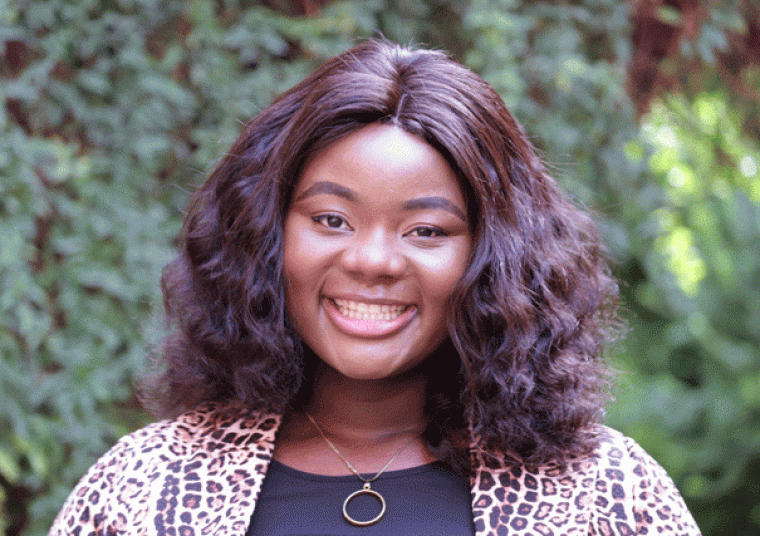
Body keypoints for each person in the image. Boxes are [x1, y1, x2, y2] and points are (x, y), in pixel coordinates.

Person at [49, 39, 701, 535]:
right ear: (267, 235)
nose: (372, 261)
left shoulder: (601, 494)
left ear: (494, 258)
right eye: (331, 220)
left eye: (425, 230)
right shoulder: (146, 488)